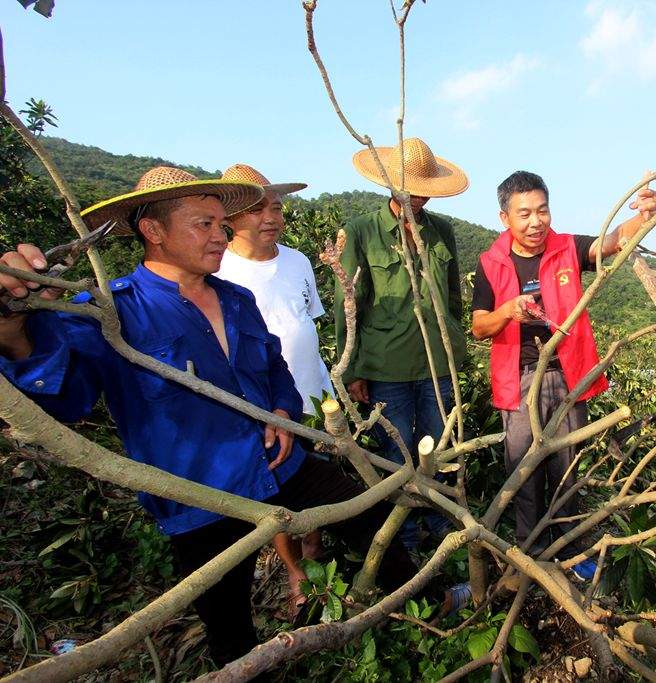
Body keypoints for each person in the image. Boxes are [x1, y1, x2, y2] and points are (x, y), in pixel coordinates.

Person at [0, 166, 431, 666]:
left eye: (220, 223)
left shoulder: (236, 299)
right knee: (228, 622)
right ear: (153, 231)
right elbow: (63, 401)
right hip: (200, 494)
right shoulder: (112, 313)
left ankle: (424, 603)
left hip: (277, 465)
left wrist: (281, 410)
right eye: (202, 224)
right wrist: (13, 330)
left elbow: (274, 368)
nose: (220, 235)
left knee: (367, 508)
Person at [470, 170, 656, 580]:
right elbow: (479, 326)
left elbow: (611, 243)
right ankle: (530, 551)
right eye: (524, 214)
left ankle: (570, 550)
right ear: (505, 218)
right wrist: (508, 311)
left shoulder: (566, 248)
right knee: (523, 467)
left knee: (566, 465)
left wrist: (643, 216)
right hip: (519, 377)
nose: (535, 221)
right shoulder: (490, 263)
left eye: (542, 210)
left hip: (567, 372)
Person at [214, 162, 333, 618]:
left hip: (312, 394)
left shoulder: (298, 261)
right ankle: (296, 573)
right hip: (263, 408)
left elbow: (308, 323)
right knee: (274, 493)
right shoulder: (219, 270)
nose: (271, 217)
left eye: (277, 207)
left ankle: (317, 553)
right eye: (257, 209)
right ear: (230, 218)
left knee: (317, 476)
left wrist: (326, 392)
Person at [338, 138, 468, 552]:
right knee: (397, 459)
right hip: (386, 368)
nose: (416, 197)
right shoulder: (361, 231)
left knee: (440, 450)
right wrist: (354, 368)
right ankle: (405, 539)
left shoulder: (441, 230)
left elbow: (452, 298)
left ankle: (443, 527)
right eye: (408, 187)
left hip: (437, 368)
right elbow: (348, 305)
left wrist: (453, 342)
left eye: (423, 188)